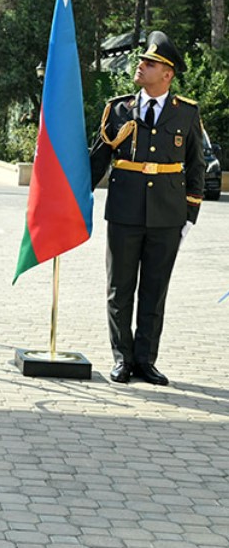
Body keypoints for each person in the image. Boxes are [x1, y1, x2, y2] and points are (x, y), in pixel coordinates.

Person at [89, 31, 203, 385]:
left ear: (167, 74)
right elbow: (97, 161)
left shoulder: (186, 113)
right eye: (142, 60)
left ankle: (145, 360)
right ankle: (122, 359)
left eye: (150, 63)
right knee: (119, 289)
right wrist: (71, 196)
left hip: (167, 215)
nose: (140, 65)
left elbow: (196, 167)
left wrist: (189, 216)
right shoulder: (119, 109)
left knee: (154, 291)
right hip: (124, 212)